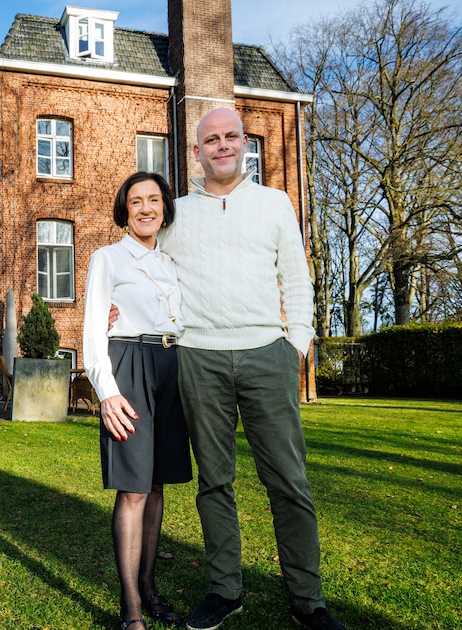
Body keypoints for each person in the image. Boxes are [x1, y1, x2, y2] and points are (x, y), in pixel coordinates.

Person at [160, 108, 345, 630]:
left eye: (230, 137)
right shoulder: (177, 214)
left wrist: (297, 345)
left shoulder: (274, 204)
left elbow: (296, 276)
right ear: (195, 152)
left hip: (269, 354)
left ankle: (307, 600)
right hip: (200, 359)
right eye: (210, 139)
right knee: (214, 483)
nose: (221, 145)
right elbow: (147, 270)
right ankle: (225, 590)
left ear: (244, 144)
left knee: (288, 481)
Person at [84, 172, 193, 630]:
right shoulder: (107, 257)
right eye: (136, 201)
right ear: (124, 210)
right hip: (129, 365)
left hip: (174, 366)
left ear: (165, 206)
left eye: (153, 200)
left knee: (156, 486)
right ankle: (130, 606)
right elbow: (92, 328)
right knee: (132, 488)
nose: (146, 208)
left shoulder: (175, 262)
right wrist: (107, 393)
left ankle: (150, 586)